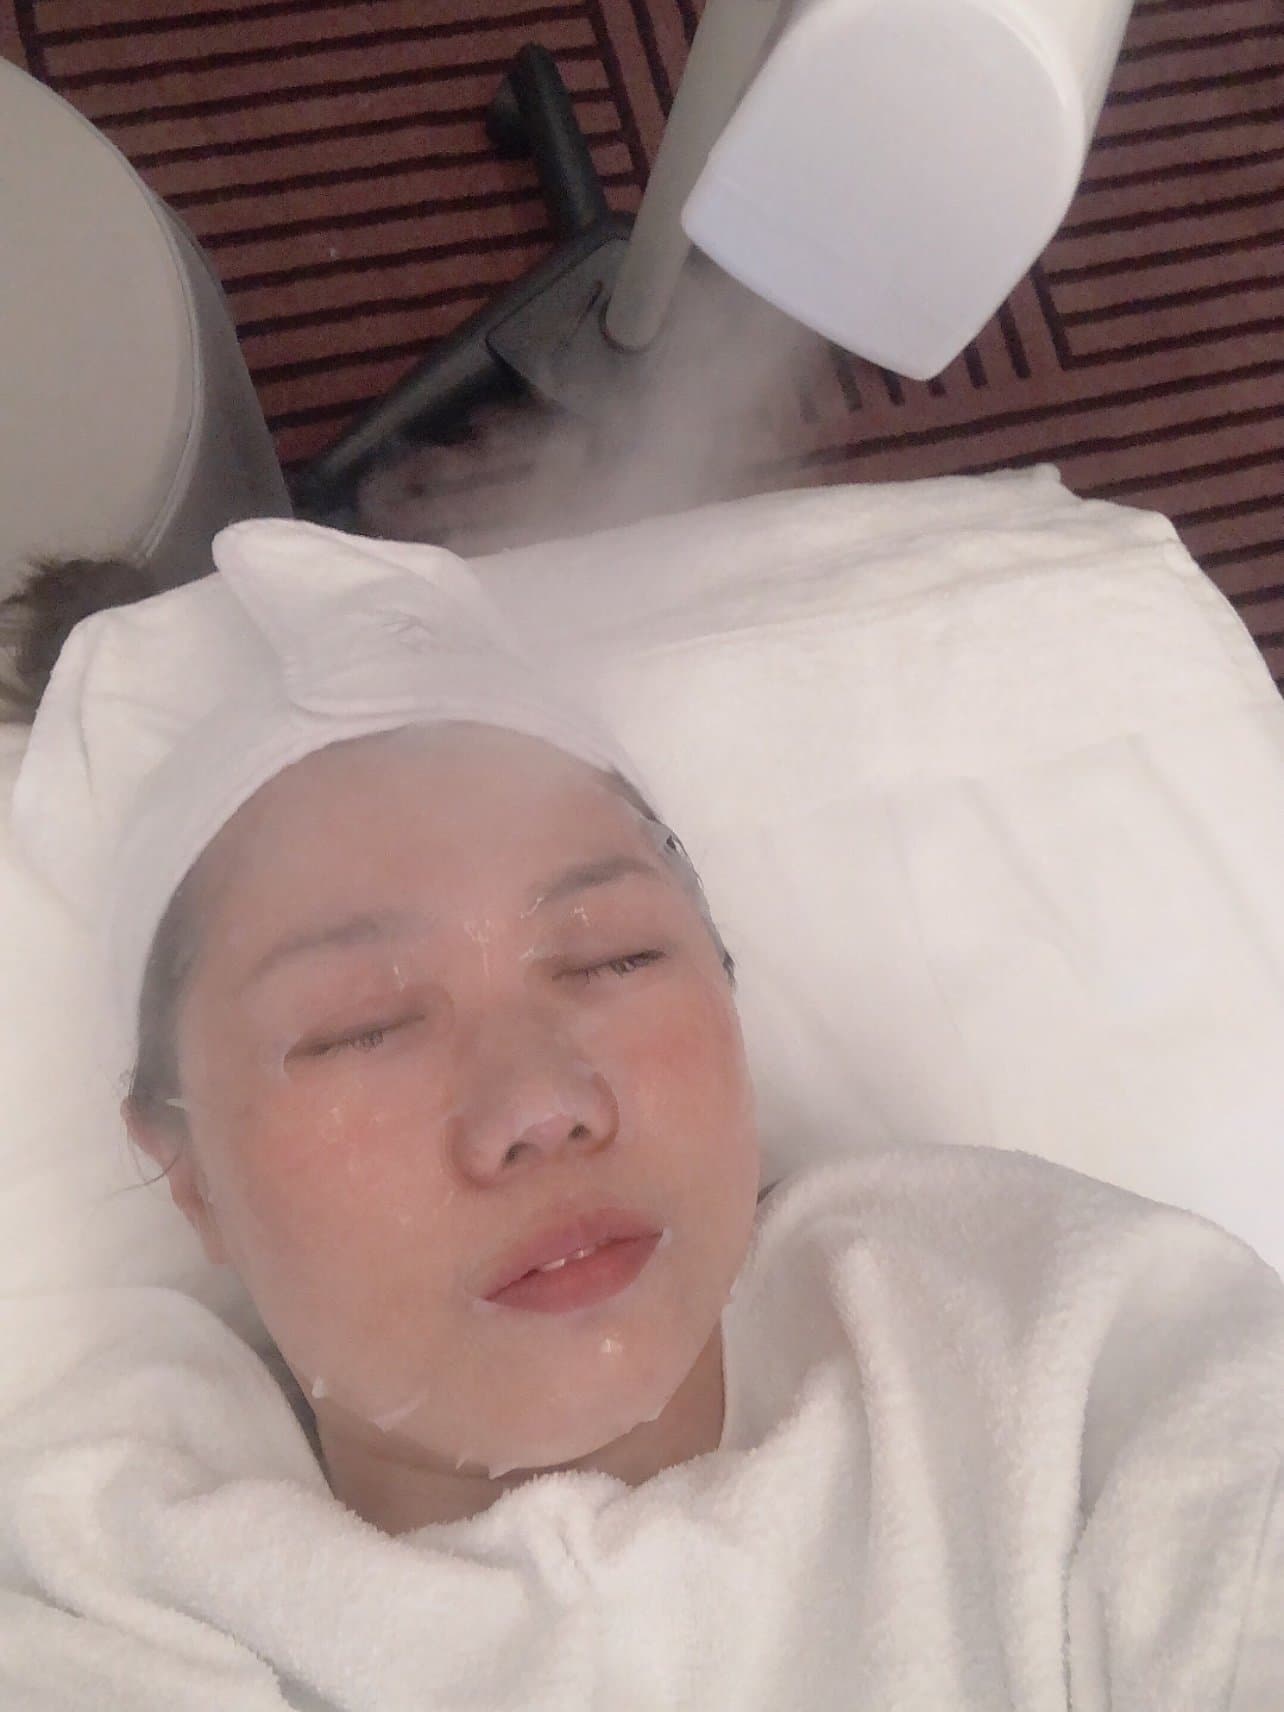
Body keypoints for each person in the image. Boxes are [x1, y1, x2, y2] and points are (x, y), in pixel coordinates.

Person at [1, 519, 1280, 1710]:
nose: (542, 1103)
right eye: (364, 1026)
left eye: (612, 955)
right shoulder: (110, 1586)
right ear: (190, 1177)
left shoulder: (1058, 1357)